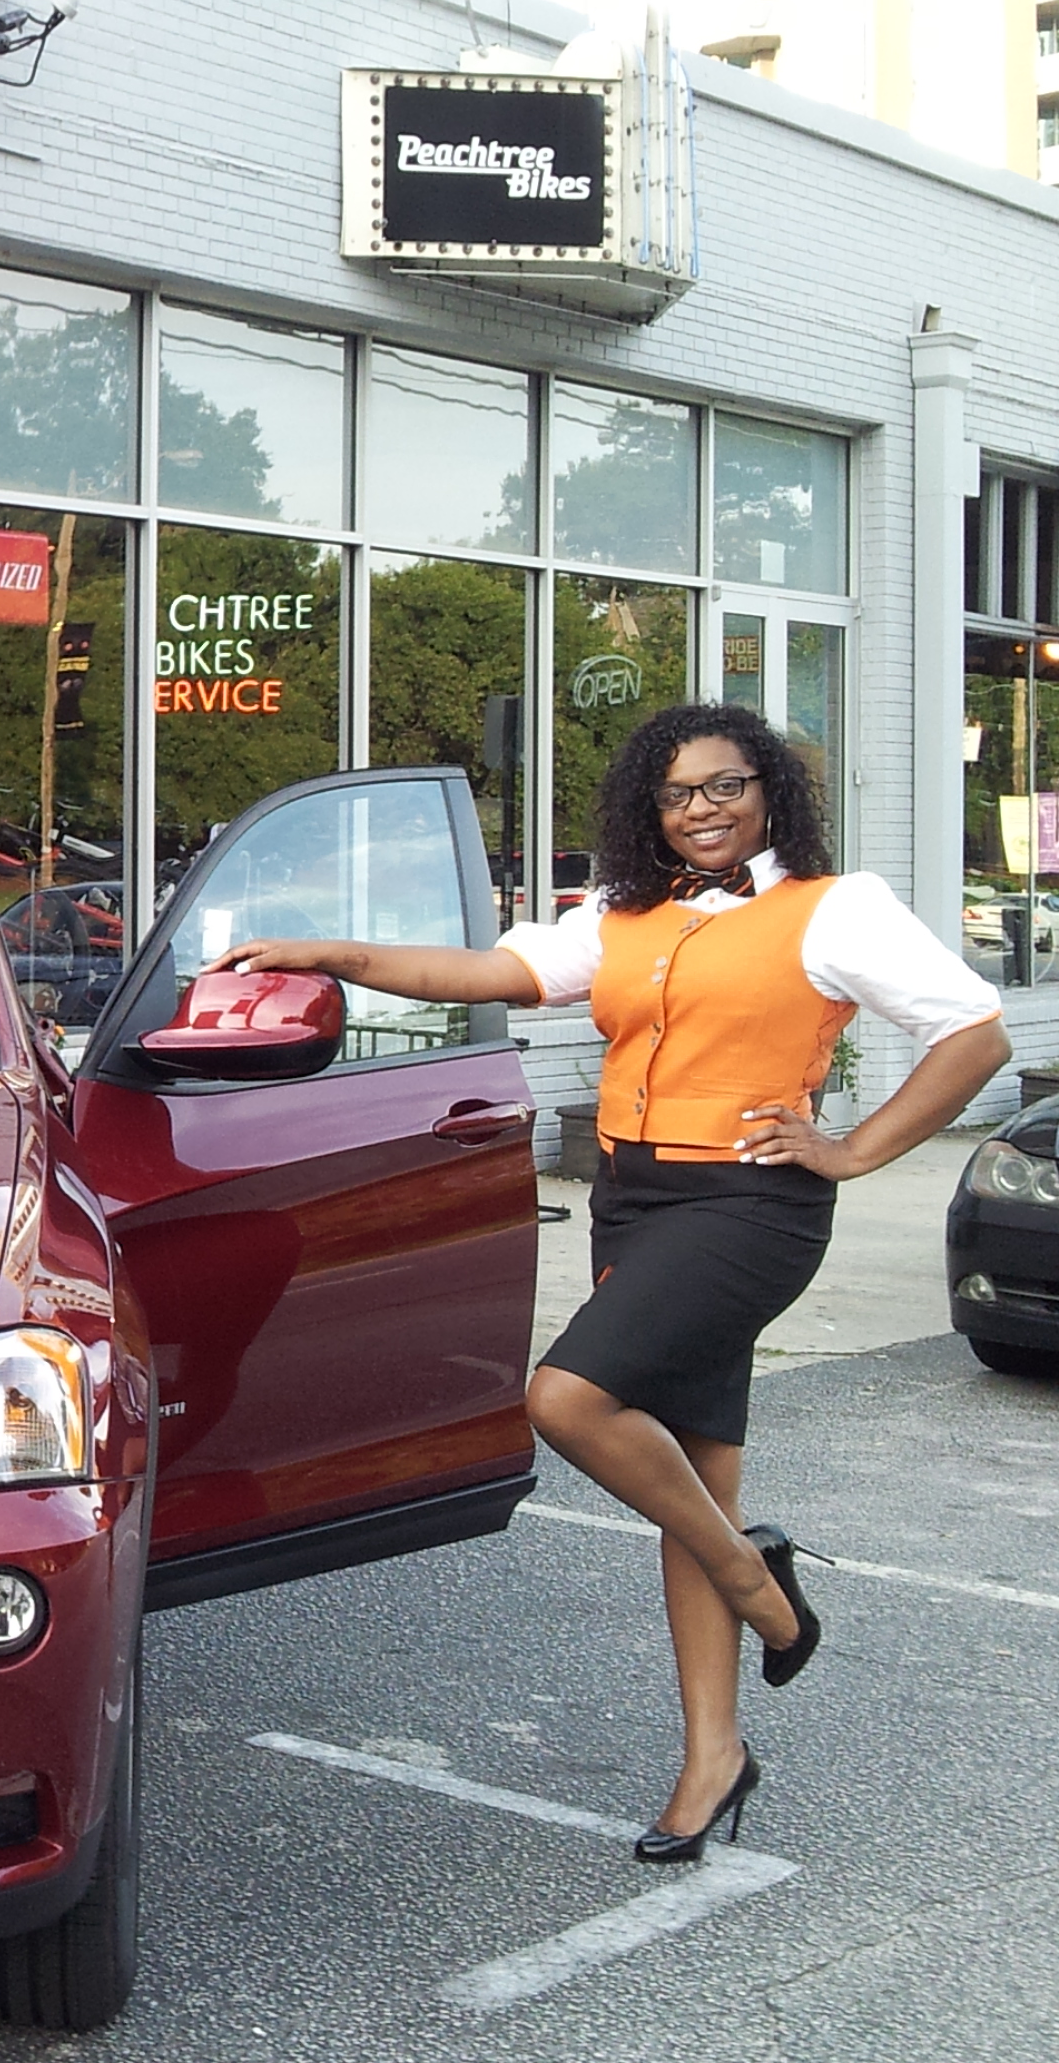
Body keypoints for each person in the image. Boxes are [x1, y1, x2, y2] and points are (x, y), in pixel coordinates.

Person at [215, 703, 1006, 1861]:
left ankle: (755, 1581)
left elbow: (974, 1033)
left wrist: (852, 1149)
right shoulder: (625, 913)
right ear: (653, 809)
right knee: (697, 1471)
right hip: (633, 1198)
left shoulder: (834, 907)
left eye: (725, 786)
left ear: (769, 790)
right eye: (678, 795)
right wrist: (332, 955)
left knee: (569, 1398)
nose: (702, 811)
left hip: (748, 1208)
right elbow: (489, 970)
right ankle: (713, 1755)